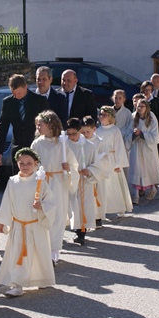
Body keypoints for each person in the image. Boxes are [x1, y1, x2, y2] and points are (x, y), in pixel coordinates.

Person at [0, 148, 56, 297]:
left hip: (35, 224)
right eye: (21, 163)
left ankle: (41, 278)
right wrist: (2, 221)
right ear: (17, 164)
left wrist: (42, 206)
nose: (25, 166)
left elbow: (51, 201)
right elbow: (7, 202)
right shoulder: (13, 181)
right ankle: (17, 285)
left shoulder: (40, 182)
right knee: (18, 256)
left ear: (36, 163)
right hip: (18, 225)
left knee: (38, 254)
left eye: (29, 163)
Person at [30, 110, 79, 263]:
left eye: (41, 124)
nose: (38, 127)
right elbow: (31, 162)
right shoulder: (37, 143)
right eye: (37, 124)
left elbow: (74, 165)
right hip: (42, 183)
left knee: (57, 216)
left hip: (58, 183)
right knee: (42, 215)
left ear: (51, 125)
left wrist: (68, 168)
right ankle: (42, 250)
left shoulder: (62, 143)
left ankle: (53, 253)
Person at [0, 74, 50, 174]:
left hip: (36, 146)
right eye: (14, 93)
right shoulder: (8, 102)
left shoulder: (39, 101)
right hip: (17, 148)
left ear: (26, 87)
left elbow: (49, 124)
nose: (16, 96)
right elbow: (2, 127)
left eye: (19, 93)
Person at [65, 118, 104, 246]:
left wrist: (89, 171)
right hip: (68, 181)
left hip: (83, 181)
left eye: (74, 134)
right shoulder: (63, 145)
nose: (71, 137)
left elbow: (96, 164)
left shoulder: (89, 146)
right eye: (69, 134)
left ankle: (81, 233)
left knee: (83, 207)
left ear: (80, 131)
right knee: (69, 207)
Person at [95, 106, 133, 218]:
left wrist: (118, 164)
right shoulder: (98, 130)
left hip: (112, 160)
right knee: (103, 186)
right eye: (100, 114)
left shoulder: (115, 130)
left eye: (104, 115)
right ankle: (103, 208)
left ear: (110, 117)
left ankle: (120, 207)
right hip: (101, 160)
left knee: (114, 185)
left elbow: (119, 147)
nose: (101, 117)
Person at [127, 98, 159, 204]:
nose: (140, 108)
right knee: (136, 169)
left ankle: (153, 189)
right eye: (138, 106)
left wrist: (142, 134)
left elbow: (154, 135)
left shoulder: (151, 118)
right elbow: (128, 132)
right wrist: (133, 134)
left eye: (142, 106)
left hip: (147, 148)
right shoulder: (133, 117)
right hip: (137, 147)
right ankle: (136, 194)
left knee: (147, 169)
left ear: (147, 107)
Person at [80, 116, 108, 228]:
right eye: (83, 132)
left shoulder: (100, 142)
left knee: (97, 195)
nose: (85, 134)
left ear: (94, 129)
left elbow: (105, 159)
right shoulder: (80, 142)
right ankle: (84, 218)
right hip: (83, 174)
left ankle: (97, 217)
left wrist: (93, 168)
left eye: (88, 132)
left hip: (96, 175)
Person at [140, 80, 159, 163]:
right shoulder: (139, 101)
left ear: (151, 90)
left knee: (156, 148)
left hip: (153, 128)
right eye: (145, 90)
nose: (147, 92)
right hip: (142, 127)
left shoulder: (157, 101)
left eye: (149, 90)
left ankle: (157, 163)